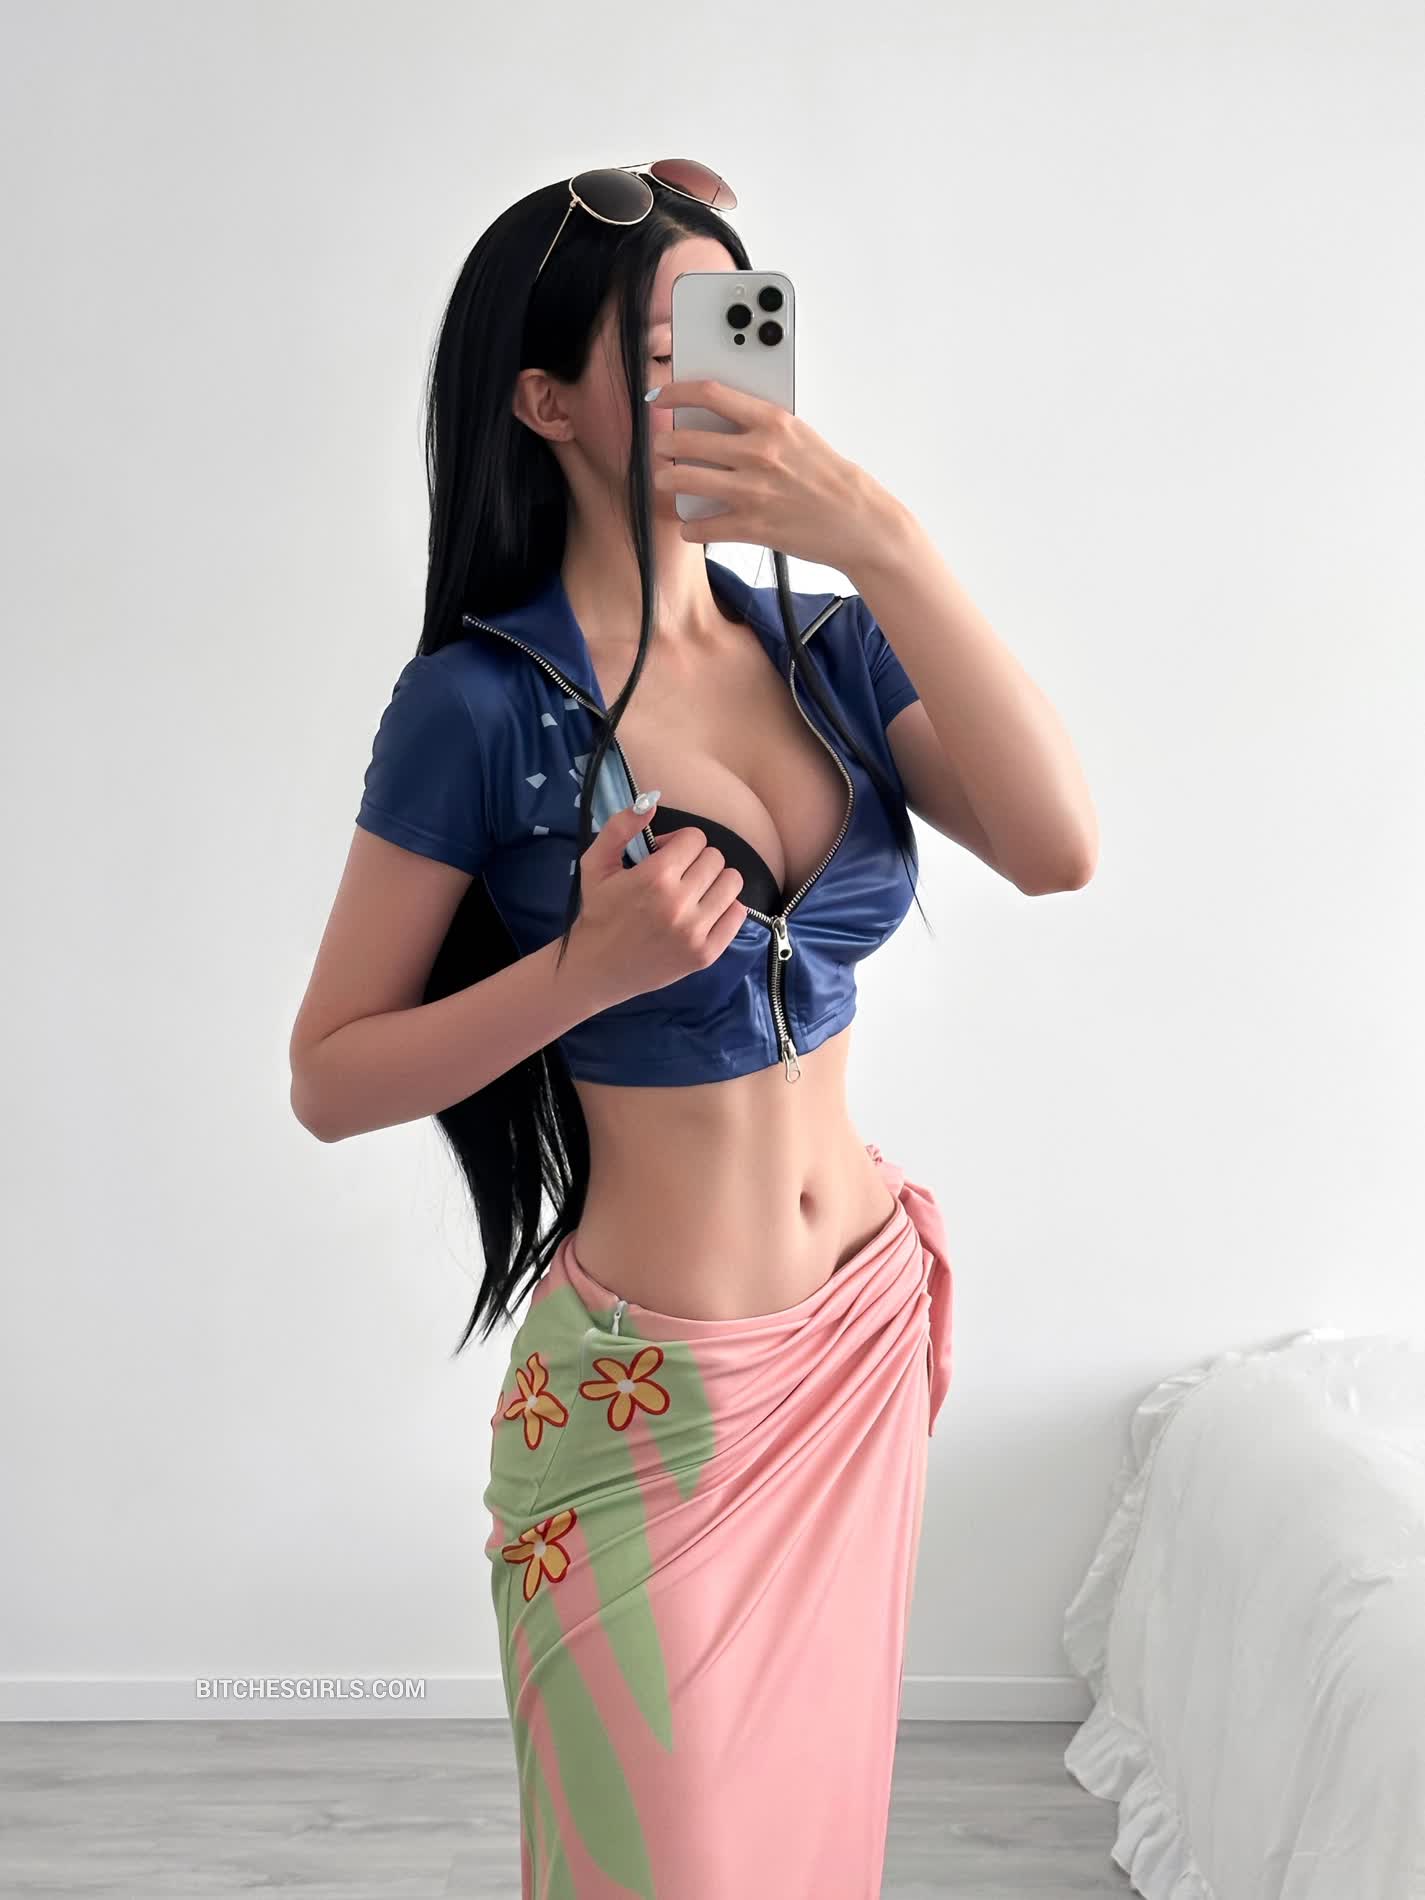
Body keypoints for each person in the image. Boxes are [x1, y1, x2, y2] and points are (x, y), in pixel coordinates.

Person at [289, 161, 1097, 1898]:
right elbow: (329, 1076)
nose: (722, 382)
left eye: (741, 329)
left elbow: (1057, 848)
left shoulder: (827, 647)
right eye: (667, 355)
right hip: (650, 1403)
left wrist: (879, 535)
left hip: (856, 1338)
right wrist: (577, 975)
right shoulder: (476, 705)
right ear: (547, 403)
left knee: (809, 1860)